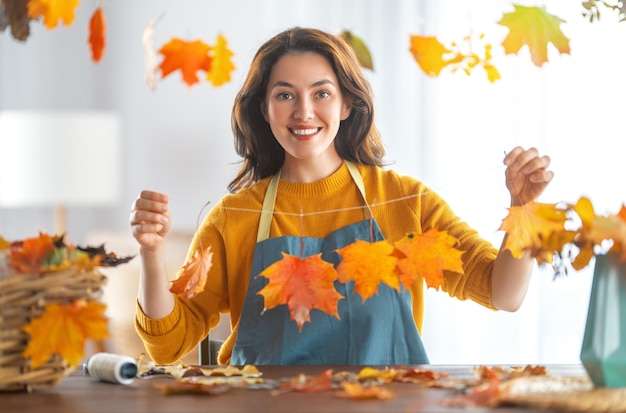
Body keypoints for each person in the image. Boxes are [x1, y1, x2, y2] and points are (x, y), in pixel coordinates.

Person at [129, 27, 554, 366]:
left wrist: (524, 208)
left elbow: (504, 293)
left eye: (321, 93)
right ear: (264, 109)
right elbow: (167, 348)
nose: (304, 112)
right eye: (284, 95)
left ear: (348, 104)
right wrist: (151, 253)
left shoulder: (406, 202)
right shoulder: (235, 216)